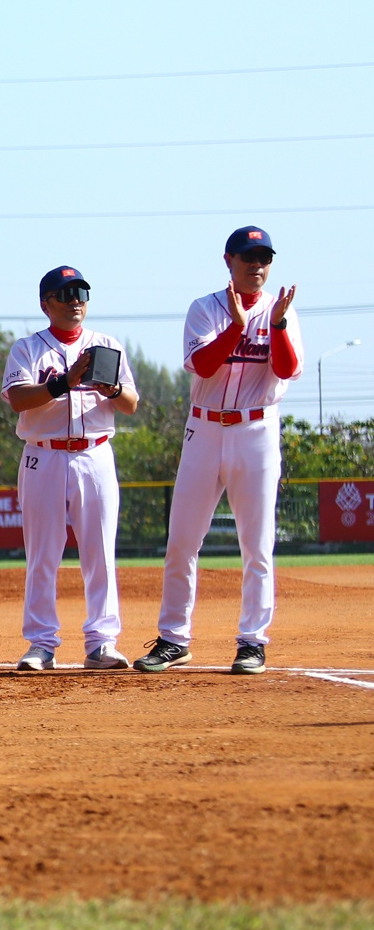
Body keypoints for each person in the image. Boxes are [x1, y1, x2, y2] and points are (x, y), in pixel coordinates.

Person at [143, 227, 301, 675]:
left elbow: (287, 369)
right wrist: (236, 325)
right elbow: (205, 364)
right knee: (182, 541)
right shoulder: (204, 309)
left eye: (264, 257)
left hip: (256, 431)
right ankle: (174, 639)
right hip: (204, 430)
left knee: (257, 544)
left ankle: (252, 641)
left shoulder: (280, 311)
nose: (257, 265)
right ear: (228, 260)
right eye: (248, 257)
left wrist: (278, 327)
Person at [1, 265, 139, 672]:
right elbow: (19, 400)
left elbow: (130, 403)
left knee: (100, 552)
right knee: (43, 554)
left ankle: (102, 642)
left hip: (95, 453)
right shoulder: (27, 349)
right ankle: (41, 643)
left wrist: (111, 388)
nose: (75, 300)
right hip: (43, 454)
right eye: (65, 293)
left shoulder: (107, 345)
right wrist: (65, 381)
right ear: (46, 304)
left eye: (80, 292)